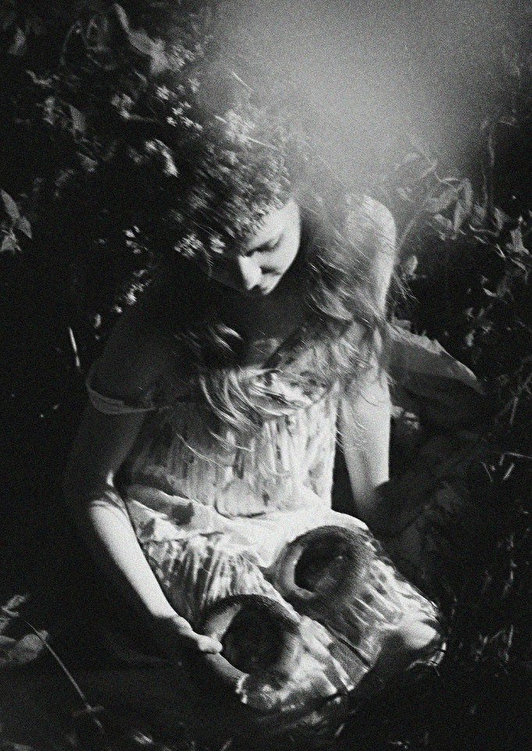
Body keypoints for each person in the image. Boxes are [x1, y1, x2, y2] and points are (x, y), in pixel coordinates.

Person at [61, 5, 441, 712]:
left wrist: (378, 509)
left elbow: (359, 375)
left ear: (305, 196)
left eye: (264, 246)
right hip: (190, 529)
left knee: (413, 646)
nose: (240, 277)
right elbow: (89, 484)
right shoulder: (161, 324)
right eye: (212, 253)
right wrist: (160, 621)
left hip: (297, 516)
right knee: (285, 689)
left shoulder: (360, 241)